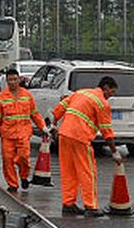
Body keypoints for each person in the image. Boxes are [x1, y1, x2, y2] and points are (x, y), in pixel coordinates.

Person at [50, 75, 117, 216]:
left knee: (68, 171)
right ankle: (91, 206)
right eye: (111, 92)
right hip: (80, 137)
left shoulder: (80, 92)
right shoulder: (102, 103)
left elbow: (59, 109)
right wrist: (114, 152)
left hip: (64, 135)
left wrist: (54, 125)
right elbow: (107, 131)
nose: (110, 96)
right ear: (105, 88)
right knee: (87, 172)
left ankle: (68, 203)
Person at [0, 68, 47, 192]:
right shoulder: (1, 97)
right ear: (7, 81)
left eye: (15, 79)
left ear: (19, 79)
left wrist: (43, 127)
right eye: (10, 80)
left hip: (23, 133)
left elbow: (34, 114)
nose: (12, 82)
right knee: (8, 160)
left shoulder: (27, 95)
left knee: (23, 157)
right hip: (7, 133)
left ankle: (24, 176)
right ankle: (12, 184)